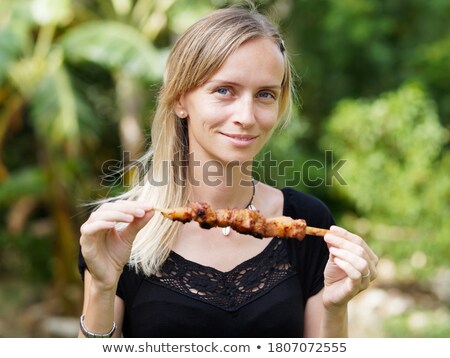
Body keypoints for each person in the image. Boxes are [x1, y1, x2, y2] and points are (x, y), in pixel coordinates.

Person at [78, 4, 378, 338]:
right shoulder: (122, 230)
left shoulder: (309, 220)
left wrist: (335, 307)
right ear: (180, 100)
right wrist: (101, 289)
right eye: (224, 90)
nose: (246, 116)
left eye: (265, 94)